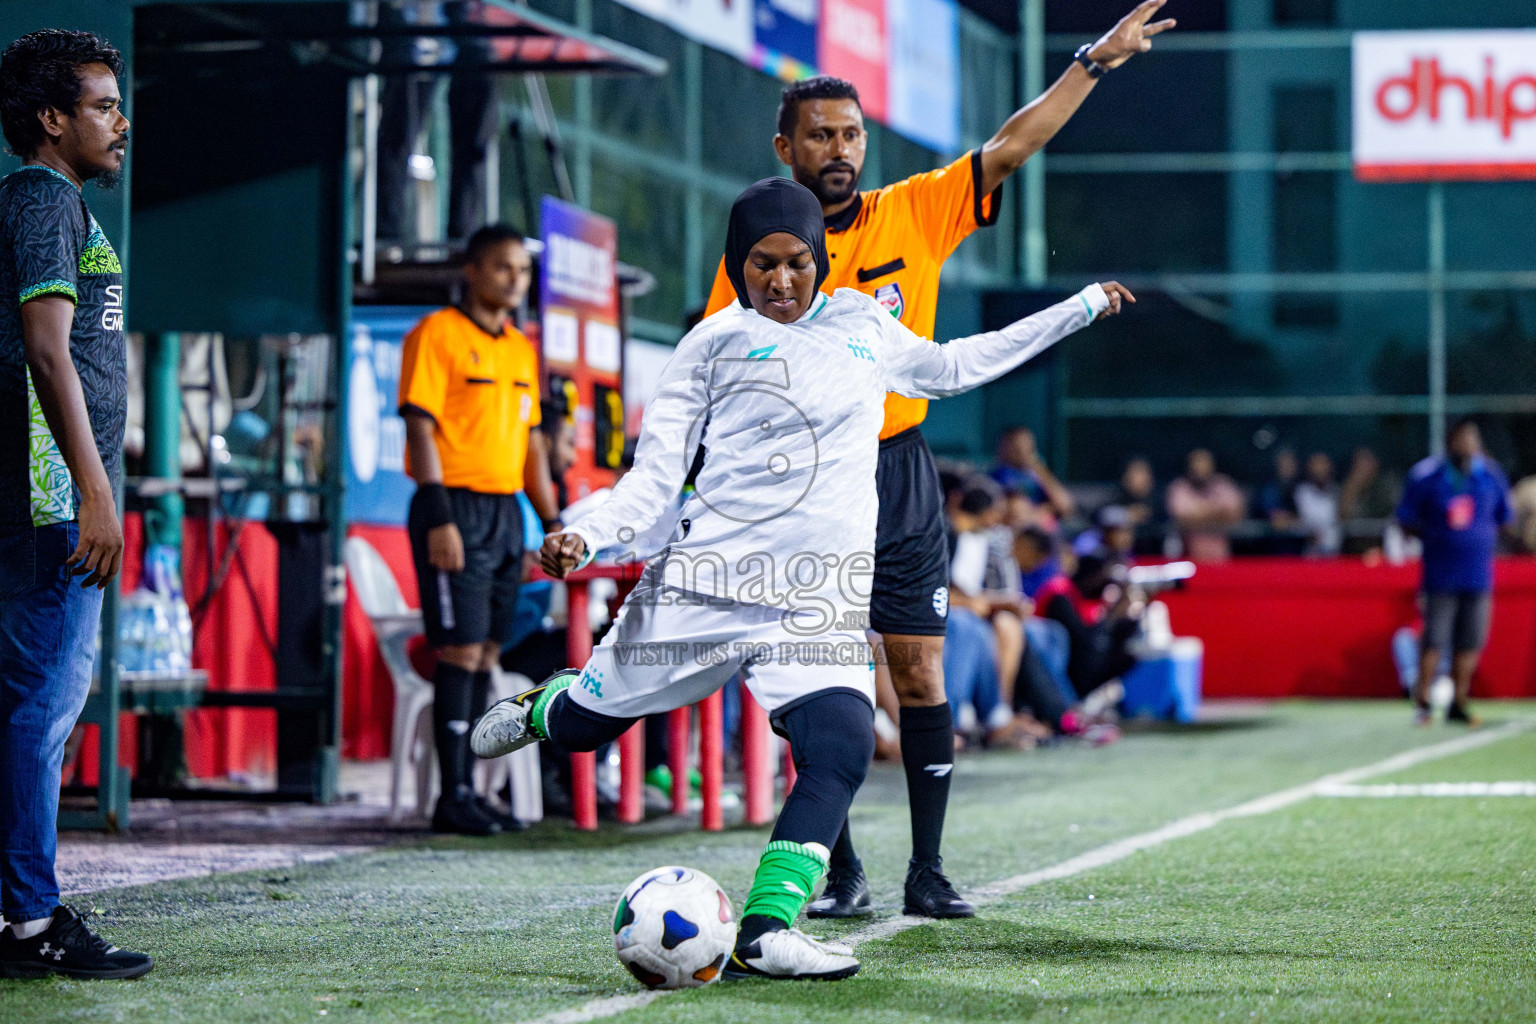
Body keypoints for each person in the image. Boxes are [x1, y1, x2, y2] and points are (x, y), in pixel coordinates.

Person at [471, 178, 1130, 978]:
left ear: (819, 257)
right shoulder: (708, 344)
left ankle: (765, 929)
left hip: (814, 601)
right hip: (704, 587)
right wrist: (586, 533)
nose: (779, 281)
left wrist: (1079, 308)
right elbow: (652, 482)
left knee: (844, 746)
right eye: (760, 265)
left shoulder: (863, 325)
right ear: (735, 264)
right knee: (588, 729)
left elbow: (956, 365)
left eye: (794, 263)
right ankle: (549, 705)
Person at [701, 0, 1175, 921]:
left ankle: (928, 870)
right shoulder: (759, 248)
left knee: (917, 668)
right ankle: (838, 870)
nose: (840, 148)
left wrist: (1093, 62)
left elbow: (1009, 146)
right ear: (785, 148)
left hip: (898, 468)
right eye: (820, 135)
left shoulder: (913, 210)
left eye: (851, 132)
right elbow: (718, 364)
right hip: (799, 484)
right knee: (813, 679)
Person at [0, 29, 152, 981]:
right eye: (102, 105)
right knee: (40, 710)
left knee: (28, 706)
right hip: (51, 497)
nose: (120, 121)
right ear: (52, 121)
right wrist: (95, 492)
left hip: (40, 492)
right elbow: (47, 352)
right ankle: (27, 919)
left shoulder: (40, 203)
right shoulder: (45, 200)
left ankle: (19, 906)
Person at [399, 224, 561, 835]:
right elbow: (420, 427)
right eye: (502, 268)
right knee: (460, 650)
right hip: (451, 510)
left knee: (491, 651)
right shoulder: (435, 335)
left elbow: (534, 448)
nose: (514, 280)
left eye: (522, 270)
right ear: (472, 270)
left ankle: (474, 791)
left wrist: (550, 523)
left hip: (503, 513)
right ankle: (453, 795)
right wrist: (439, 515)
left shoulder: (521, 350)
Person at [1396, 420, 1512, 728]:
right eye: (1462, 437)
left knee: (1470, 640)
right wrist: (1436, 538)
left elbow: (1504, 519)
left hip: (1477, 573)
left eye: (1473, 437)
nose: (1468, 443)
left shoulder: (1489, 474)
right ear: (1449, 441)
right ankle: (1422, 702)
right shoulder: (1427, 476)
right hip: (1440, 573)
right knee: (1434, 638)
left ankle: (1458, 702)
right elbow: (1405, 518)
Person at [1166, 448, 1244, 562]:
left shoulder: (1223, 485)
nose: (1200, 468)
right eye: (1196, 463)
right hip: (1188, 558)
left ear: (1212, 465)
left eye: (1204, 463)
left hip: (1222, 558)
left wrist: (1199, 514)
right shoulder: (1179, 487)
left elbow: (1235, 513)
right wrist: (1217, 514)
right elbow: (1182, 517)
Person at [991, 426, 1074, 521]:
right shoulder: (994, 477)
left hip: (1042, 529)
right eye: (1016, 446)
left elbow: (1066, 506)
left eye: (1026, 445)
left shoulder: (1037, 475)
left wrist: (1038, 467)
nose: (1022, 451)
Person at [1294, 451, 1341, 555]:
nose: (1320, 469)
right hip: (1311, 552)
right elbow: (1305, 520)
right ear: (1309, 467)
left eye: (1324, 464)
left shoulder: (1337, 491)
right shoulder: (1302, 492)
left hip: (1336, 552)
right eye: (1317, 465)